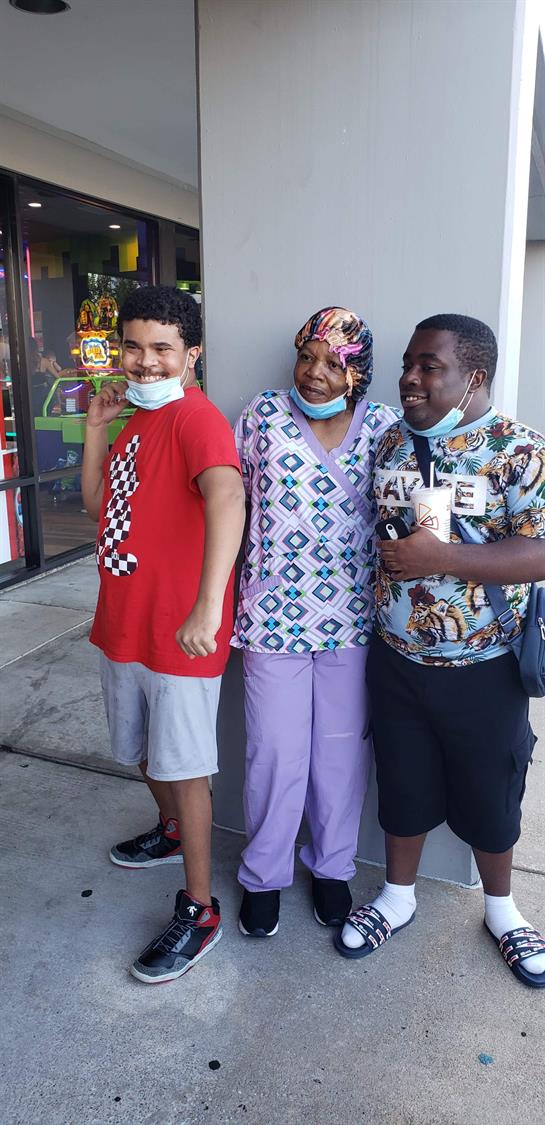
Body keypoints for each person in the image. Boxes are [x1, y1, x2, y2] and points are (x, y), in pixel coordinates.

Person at [336, 313, 545, 989]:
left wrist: (443, 557)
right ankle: (397, 897)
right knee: (401, 780)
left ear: (472, 376)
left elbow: (541, 550)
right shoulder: (391, 441)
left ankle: (502, 911)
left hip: (483, 667)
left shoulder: (518, 449)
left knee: (490, 792)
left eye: (430, 366)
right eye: (407, 364)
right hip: (394, 657)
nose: (410, 378)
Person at [82, 286, 245, 984]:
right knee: (143, 752)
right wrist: (96, 429)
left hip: (181, 633)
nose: (144, 362)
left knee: (183, 765)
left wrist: (208, 605)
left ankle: (199, 908)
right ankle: (172, 831)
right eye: (134, 346)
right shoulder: (135, 421)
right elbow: (99, 507)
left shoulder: (195, 418)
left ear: (191, 354)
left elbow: (228, 497)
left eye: (161, 349)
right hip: (126, 622)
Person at [232, 306, 399, 937]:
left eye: (334, 363)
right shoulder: (264, 417)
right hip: (272, 617)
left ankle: (331, 868)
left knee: (340, 755)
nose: (316, 374)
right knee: (275, 752)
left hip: (354, 619)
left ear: (359, 373)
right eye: (308, 357)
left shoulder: (383, 426)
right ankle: (264, 875)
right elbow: (231, 506)